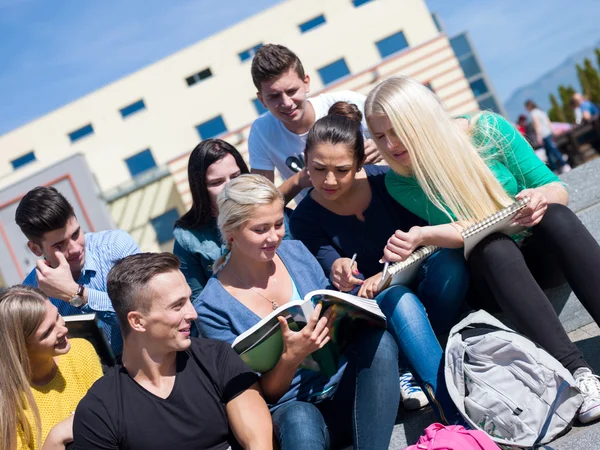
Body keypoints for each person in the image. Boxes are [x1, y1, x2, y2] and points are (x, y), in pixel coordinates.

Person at [365, 75, 600, 424]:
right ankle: (577, 375)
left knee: (557, 216)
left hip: (540, 250)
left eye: (396, 130)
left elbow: (555, 187)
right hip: (494, 275)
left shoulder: (488, 131)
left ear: (420, 119)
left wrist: (539, 198)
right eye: (379, 135)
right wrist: (423, 234)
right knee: (491, 246)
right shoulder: (399, 181)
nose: (390, 144)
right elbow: (468, 226)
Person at [289, 101, 469, 419]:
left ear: (359, 162)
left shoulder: (387, 180)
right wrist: (340, 270)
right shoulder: (304, 217)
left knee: (452, 262)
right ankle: (454, 404)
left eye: (341, 170)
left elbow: (433, 230)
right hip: (381, 310)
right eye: (318, 169)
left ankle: (411, 360)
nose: (329, 180)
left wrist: (403, 255)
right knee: (397, 297)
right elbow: (333, 267)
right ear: (305, 161)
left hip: (430, 281)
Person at [196, 174, 400, 449]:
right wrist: (291, 357)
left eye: (279, 224)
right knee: (299, 416)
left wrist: (347, 299)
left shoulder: (295, 253)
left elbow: (340, 321)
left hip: (345, 391)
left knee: (380, 343)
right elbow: (253, 395)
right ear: (231, 232)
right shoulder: (211, 307)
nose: (273, 237)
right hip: (292, 415)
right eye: (260, 229)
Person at [73, 252, 273, 450]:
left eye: (188, 300)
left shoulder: (217, 358)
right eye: (177, 306)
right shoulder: (100, 410)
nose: (193, 313)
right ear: (137, 321)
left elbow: (259, 443)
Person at [248, 44, 382, 203]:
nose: (287, 103)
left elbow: (407, 135)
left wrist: (381, 145)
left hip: (376, 195)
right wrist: (299, 180)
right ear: (262, 100)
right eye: (274, 96)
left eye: (291, 91)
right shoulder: (261, 131)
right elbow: (261, 202)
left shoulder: (347, 101)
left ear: (306, 83)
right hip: (323, 216)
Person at [17, 186, 140, 355]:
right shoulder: (31, 293)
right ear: (36, 249)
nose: (75, 249)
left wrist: (75, 294)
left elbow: (144, 312)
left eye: (75, 234)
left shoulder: (116, 247)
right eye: (59, 245)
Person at [174, 139, 292, 301]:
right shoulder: (187, 237)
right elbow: (198, 302)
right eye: (217, 182)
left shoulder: (271, 210)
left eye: (236, 176)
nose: (230, 188)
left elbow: (295, 261)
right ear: (200, 188)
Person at [0, 285, 102, 450]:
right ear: (21, 347)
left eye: (57, 316)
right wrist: (56, 437)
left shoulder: (81, 352)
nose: (62, 329)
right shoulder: (8, 402)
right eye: (47, 332)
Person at [524, 99, 570, 173]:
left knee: (552, 150)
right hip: (548, 132)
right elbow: (548, 122)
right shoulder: (540, 111)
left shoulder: (533, 113)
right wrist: (553, 130)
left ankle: (563, 164)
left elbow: (537, 125)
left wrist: (538, 136)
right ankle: (554, 168)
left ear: (528, 107)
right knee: (548, 152)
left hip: (543, 134)